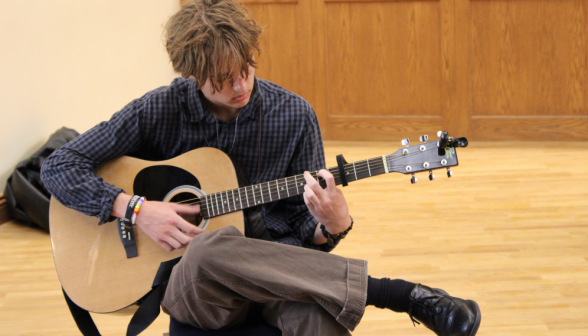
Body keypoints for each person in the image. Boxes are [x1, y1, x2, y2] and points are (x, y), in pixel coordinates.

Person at [41, 0, 481, 335]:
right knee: (209, 247)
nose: (240, 84)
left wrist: (332, 225)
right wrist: (135, 209)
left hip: (275, 271)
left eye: (247, 68)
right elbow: (59, 166)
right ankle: (400, 294)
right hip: (195, 285)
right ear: (191, 75)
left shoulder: (293, 115)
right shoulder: (159, 110)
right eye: (223, 77)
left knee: (319, 318)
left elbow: (303, 236)